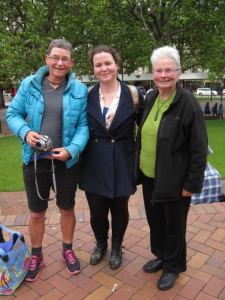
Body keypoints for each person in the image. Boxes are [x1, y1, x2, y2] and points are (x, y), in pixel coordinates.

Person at [6, 39, 89, 281]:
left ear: (71, 62)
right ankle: (37, 255)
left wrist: (72, 149)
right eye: (55, 57)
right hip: (33, 160)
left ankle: (67, 250)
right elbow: (13, 113)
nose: (59, 62)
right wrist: (25, 132)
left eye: (65, 58)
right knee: (36, 213)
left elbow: (84, 126)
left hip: (65, 161)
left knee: (66, 209)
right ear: (47, 59)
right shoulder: (29, 84)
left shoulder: (79, 90)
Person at [134, 46, 208, 290]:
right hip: (150, 175)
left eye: (168, 70)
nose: (163, 75)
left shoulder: (188, 103)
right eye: (158, 70)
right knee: (156, 221)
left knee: (174, 226)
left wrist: (191, 184)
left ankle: (174, 266)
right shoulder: (152, 97)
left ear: (178, 72)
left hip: (175, 180)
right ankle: (162, 256)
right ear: (152, 74)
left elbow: (199, 147)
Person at [79, 45, 144, 270]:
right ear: (93, 69)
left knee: (119, 209)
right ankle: (100, 244)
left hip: (122, 161)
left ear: (117, 64)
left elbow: (145, 129)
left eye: (108, 63)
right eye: (98, 65)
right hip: (93, 161)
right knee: (96, 210)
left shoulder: (134, 94)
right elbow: (77, 126)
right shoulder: (86, 95)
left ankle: (117, 247)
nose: (103, 68)